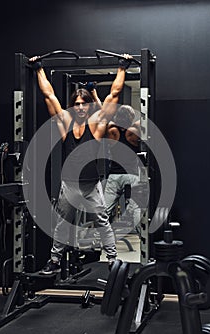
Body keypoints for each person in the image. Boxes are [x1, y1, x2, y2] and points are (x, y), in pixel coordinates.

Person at [29, 53, 132, 274]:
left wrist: (123, 67)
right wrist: (38, 68)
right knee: (62, 224)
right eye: (76, 104)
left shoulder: (96, 125)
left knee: (103, 221)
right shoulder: (65, 123)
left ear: (88, 105)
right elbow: (49, 95)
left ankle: (113, 260)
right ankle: (54, 260)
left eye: (84, 103)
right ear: (72, 106)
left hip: (91, 185)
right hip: (70, 185)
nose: (81, 107)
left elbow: (114, 94)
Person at [103, 105, 142, 235]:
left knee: (105, 210)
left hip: (115, 175)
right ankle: (141, 236)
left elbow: (105, 120)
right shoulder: (134, 132)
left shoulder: (112, 130)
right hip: (132, 175)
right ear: (130, 117)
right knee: (136, 208)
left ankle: (100, 236)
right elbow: (143, 120)